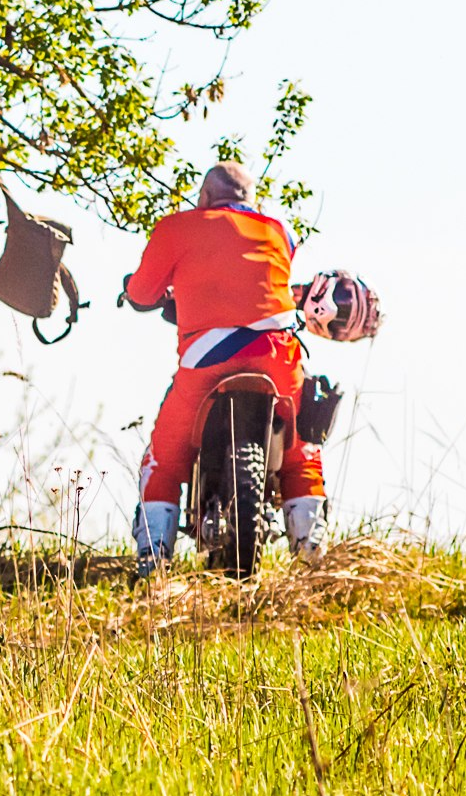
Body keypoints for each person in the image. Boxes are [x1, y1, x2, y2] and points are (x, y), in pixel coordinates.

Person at [121, 161, 327, 578]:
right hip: (277, 357)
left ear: (205, 198)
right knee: (299, 449)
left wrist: (131, 290)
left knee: (164, 455)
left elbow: (142, 292)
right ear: (253, 201)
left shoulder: (176, 228)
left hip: (207, 360)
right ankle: (312, 552)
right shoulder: (280, 231)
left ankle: (153, 561)